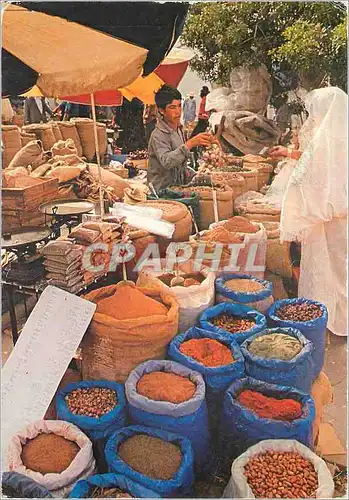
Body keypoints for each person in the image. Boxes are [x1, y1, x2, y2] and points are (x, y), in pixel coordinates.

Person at [269, 86, 348, 337]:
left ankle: (326, 317)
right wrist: (289, 153)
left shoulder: (330, 139)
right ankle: (339, 318)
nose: (312, 117)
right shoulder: (337, 137)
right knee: (339, 267)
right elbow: (312, 161)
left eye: (315, 112)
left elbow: (307, 173)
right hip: (335, 217)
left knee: (329, 267)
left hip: (327, 220)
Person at [148, 85, 213, 190]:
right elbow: (167, 161)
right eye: (172, 107)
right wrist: (190, 144)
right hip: (162, 192)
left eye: (179, 106)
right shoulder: (158, 135)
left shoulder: (179, 129)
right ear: (161, 111)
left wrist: (196, 175)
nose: (178, 111)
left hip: (178, 188)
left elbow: (181, 164)